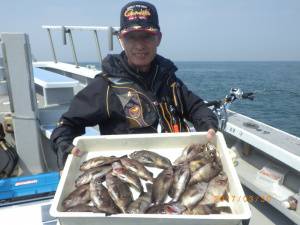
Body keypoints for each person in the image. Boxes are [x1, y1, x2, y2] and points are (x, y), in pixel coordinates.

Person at [50, 1, 218, 170]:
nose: (139, 45)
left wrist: (208, 126)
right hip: (130, 174)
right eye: (131, 37)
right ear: (121, 40)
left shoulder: (168, 79)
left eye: (147, 36)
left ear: (158, 39)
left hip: (178, 166)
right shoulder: (105, 86)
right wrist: (65, 147)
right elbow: (67, 124)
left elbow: (196, 107)